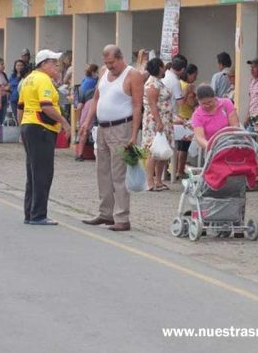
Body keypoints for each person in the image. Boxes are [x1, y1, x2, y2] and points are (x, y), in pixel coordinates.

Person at [79, 45, 143, 231]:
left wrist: (133, 134)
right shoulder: (104, 72)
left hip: (121, 127)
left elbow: (137, 106)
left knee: (119, 174)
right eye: (106, 63)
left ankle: (122, 217)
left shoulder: (133, 75)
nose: (110, 67)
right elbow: (97, 99)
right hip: (103, 127)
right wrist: (87, 122)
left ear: (121, 58)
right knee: (103, 172)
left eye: (112, 63)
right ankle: (105, 212)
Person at [17, 50, 71, 226]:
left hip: (29, 125)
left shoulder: (28, 79)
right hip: (41, 128)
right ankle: (39, 214)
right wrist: (65, 122)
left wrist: (22, 127)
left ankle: (30, 213)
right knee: (43, 173)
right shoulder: (43, 80)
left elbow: (20, 107)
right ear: (44, 64)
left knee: (33, 172)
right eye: (54, 63)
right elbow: (47, 106)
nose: (57, 67)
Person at [142, 58, 174, 192]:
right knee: (153, 151)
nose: (165, 69)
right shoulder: (152, 84)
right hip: (155, 122)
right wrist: (159, 122)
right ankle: (150, 181)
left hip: (165, 120)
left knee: (162, 151)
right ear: (159, 68)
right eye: (163, 66)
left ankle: (159, 180)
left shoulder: (159, 82)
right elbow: (152, 104)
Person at [191, 84, 239, 150]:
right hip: (213, 147)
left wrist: (229, 141)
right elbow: (200, 137)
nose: (207, 105)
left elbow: (235, 125)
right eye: (203, 104)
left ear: (215, 97)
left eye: (210, 102)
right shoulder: (197, 115)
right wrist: (210, 147)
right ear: (198, 102)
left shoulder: (226, 103)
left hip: (231, 142)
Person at [174, 64, 198, 179]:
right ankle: (180, 170)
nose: (196, 77)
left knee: (179, 147)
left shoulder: (179, 84)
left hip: (178, 116)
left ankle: (176, 169)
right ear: (189, 74)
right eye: (194, 75)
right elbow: (191, 103)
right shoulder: (188, 87)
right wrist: (195, 98)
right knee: (184, 147)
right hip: (187, 119)